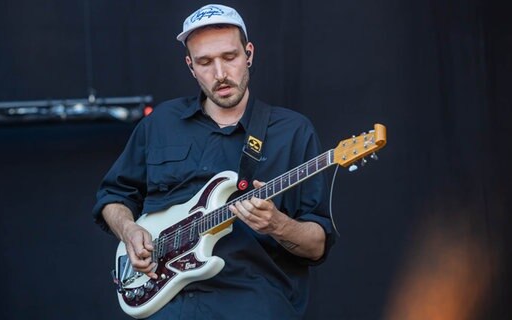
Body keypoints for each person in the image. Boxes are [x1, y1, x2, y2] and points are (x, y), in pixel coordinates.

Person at [92, 4, 336, 319]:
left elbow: (316, 245)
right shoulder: (161, 122)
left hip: (252, 304)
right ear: (190, 66)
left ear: (249, 54)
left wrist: (277, 224)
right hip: (164, 305)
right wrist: (128, 230)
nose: (219, 74)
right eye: (205, 62)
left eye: (229, 57)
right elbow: (113, 196)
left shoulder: (292, 131)